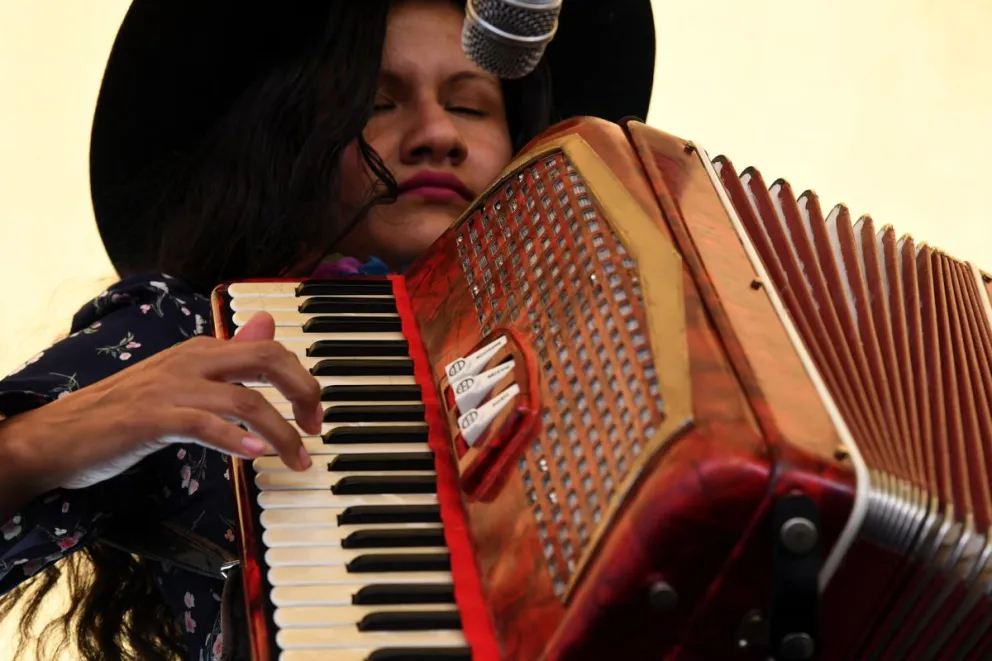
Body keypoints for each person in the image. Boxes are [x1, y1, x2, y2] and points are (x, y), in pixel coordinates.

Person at [0, 1, 655, 660]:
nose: (436, 133)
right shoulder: (194, 337)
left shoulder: (606, 360)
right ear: (287, 148)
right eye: (375, 105)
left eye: (470, 107)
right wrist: (40, 444)